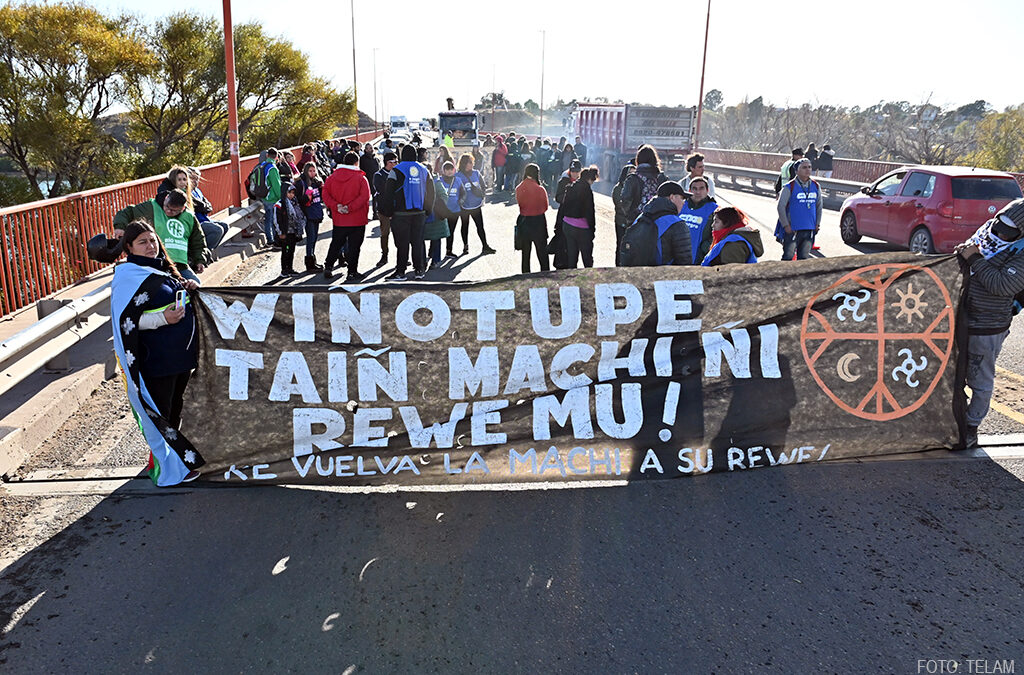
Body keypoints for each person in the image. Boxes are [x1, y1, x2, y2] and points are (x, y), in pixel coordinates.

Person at [110, 220, 203, 487]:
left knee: (174, 411)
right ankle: (165, 469)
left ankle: (169, 459)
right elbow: (126, 322)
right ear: (129, 247)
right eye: (143, 242)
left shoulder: (162, 269)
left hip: (179, 358)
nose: (151, 246)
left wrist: (189, 291)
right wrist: (162, 318)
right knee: (160, 413)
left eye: (152, 240)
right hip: (156, 360)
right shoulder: (128, 276)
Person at [956, 200, 1024, 448]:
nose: (1000, 234)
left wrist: (974, 258)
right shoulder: (986, 233)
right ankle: (954, 418)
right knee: (954, 373)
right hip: (962, 317)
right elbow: (965, 255)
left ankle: (972, 426)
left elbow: (1002, 285)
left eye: (1008, 232)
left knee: (980, 379)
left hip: (989, 325)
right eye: (998, 227)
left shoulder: (1021, 252)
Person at [113, 189, 208, 284]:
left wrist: (200, 260)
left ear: (183, 208)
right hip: (156, 261)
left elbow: (198, 241)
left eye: (174, 211)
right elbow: (126, 212)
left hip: (180, 266)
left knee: (196, 284)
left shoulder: (189, 217)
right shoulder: (151, 207)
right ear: (166, 198)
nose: (169, 211)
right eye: (167, 206)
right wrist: (120, 227)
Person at [381, 145, 435, 280]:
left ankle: (401, 272)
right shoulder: (424, 170)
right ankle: (419, 270)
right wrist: (428, 210)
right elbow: (431, 192)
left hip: (400, 214)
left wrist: (388, 212)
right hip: (419, 213)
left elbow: (388, 193)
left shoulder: (396, 170)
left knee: (402, 244)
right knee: (417, 242)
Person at [322, 151, 371, 282]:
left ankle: (328, 266)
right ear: (356, 163)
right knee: (355, 247)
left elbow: (325, 194)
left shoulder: (332, 177)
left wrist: (336, 206)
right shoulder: (361, 178)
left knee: (336, 243)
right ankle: (352, 272)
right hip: (357, 219)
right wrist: (350, 207)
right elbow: (365, 196)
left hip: (339, 219)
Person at [618, 181, 693, 266]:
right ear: (672, 197)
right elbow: (684, 263)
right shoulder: (677, 224)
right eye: (682, 198)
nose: (684, 202)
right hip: (663, 276)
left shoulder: (641, 217)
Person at [776, 158, 821, 260]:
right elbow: (780, 207)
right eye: (804, 167)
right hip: (793, 229)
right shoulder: (789, 186)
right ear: (796, 171)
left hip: (809, 228)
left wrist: (817, 223)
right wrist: (786, 225)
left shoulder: (816, 186)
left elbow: (819, 206)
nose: (808, 170)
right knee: (788, 256)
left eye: (809, 167)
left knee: (804, 258)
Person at [620, 145, 670, 227]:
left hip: (637, 221)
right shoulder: (662, 178)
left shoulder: (633, 178)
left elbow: (625, 198)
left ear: (638, 160)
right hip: (657, 221)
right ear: (655, 159)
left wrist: (630, 215)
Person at [560, 165, 599, 268]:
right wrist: (592, 230)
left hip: (567, 225)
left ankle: (571, 280)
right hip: (582, 228)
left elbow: (563, 207)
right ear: (590, 179)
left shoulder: (570, 187)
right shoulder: (587, 190)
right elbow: (590, 213)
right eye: (593, 181)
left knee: (572, 257)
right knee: (587, 259)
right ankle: (589, 281)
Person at [455, 153, 494, 255]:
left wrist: (482, 197)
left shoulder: (476, 173)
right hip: (464, 206)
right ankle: (465, 246)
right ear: (464, 164)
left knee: (480, 226)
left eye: (472, 162)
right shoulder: (458, 176)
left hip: (476, 205)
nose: (472, 164)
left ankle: (485, 246)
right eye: (470, 162)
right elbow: (456, 190)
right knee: (465, 226)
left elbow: (483, 186)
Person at [515, 163, 550, 273]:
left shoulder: (519, 188)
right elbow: (545, 207)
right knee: (542, 252)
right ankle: (545, 274)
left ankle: (526, 275)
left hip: (524, 221)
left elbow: (520, 203)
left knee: (526, 253)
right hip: (538, 221)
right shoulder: (540, 189)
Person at [678, 176, 718, 263]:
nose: (698, 192)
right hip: (678, 254)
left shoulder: (714, 209)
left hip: (700, 257)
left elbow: (719, 234)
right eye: (694, 189)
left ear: (707, 190)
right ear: (689, 190)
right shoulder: (681, 206)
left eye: (701, 188)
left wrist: (705, 247)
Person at [294, 162, 325, 273]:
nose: (312, 173)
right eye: (310, 171)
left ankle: (313, 259)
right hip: (307, 213)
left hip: (316, 212)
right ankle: (309, 263)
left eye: (314, 171)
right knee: (310, 238)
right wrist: (306, 197)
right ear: (306, 171)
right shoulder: (301, 183)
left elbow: (320, 198)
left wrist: (321, 188)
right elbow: (297, 199)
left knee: (315, 237)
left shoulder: (317, 182)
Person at [372, 152, 397, 267]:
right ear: (388, 162)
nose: (396, 164)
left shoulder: (398, 173)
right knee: (385, 234)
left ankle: (401, 256)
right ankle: (384, 255)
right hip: (384, 210)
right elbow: (382, 191)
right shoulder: (379, 175)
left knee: (399, 234)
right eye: (394, 162)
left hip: (397, 210)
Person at [275, 182, 305, 277]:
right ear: (284, 192)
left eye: (293, 193)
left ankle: (290, 268)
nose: (291, 195)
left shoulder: (294, 203)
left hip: (293, 232)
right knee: (285, 251)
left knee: (291, 250)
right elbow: (276, 220)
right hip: (284, 232)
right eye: (289, 193)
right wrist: (280, 232)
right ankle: (284, 270)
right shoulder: (279, 204)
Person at [435, 160, 461, 259]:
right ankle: (432, 253)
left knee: (451, 232)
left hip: (454, 211)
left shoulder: (457, 180)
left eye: (451, 169)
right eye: (447, 169)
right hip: (441, 212)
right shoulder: (439, 181)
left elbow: (463, 193)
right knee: (438, 232)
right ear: (443, 170)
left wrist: (460, 203)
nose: (449, 171)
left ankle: (449, 251)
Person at [612, 164, 635, 265]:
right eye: (630, 173)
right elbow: (619, 205)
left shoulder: (635, 187)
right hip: (621, 222)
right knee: (621, 245)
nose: (632, 175)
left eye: (634, 173)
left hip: (633, 223)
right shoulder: (618, 188)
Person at [259, 148, 282, 246]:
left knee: (268, 219)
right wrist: (281, 197)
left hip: (263, 196)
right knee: (274, 220)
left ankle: (269, 239)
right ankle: (273, 240)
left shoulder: (262, 165)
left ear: (267, 155)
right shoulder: (272, 168)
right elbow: (276, 185)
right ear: (276, 157)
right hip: (271, 197)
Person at [359, 144, 380, 216]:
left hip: (375, 181)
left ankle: (375, 213)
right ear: (365, 149)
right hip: (366, 180)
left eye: (371, 148)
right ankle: (364, 214)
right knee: (365, 199)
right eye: (368, 148)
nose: (369, 150)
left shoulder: (376, 158)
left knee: (375, 198)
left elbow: (379, 169)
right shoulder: (362, 159)